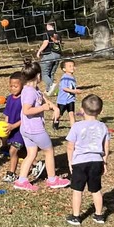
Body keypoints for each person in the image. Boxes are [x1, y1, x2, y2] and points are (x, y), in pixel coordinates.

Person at [13, 62, 70, 191]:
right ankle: (52, 179)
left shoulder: (34, 89)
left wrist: (54, 107)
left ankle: (21, 181)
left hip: (27, 130)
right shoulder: (29, 93)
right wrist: (43, 108)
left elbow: (44, 99)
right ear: (38, 76)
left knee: (31, 153)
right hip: (35, 130)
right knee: (49, 151)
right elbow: (27, 110)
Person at [65, 94, 109, 225]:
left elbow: (70, 146)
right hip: (96, 161)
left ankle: (76, 216)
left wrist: (70, 161)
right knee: (96, 190)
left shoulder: (77, 126)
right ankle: (99, 215)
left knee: (77, 190)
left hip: (80, 162)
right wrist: (104, 161)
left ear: (81, 110)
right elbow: (106, 146)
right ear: (100, 111)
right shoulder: (103, 127)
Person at [0, 72, 47, 183]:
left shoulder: (25, 100)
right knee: (19, 152)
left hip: (21, 130)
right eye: (11, 86)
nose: (13, 88)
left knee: (13, 151)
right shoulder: (10, 99)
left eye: (15, 86)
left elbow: (25, 118)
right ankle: (36, 164)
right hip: (11, 130)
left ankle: (11, 173)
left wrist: (13, 126)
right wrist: (4, 129)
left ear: (23, 86)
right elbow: (7, 115)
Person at [53, 58, 77, 129]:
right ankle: (55, 121)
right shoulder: (64, 78)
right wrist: (74, 91)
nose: (72, 67)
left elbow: (72, 87)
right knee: (59, 114)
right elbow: (64, 88)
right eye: (69, 66)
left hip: (70, 100)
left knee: (71, 114)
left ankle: (73, 129)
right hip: (62, 100)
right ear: (64, 69)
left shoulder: (73, 77)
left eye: (73, 66)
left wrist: (75, 90)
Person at [37, 29, 63, 94]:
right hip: (58, 55)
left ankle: (52, 86)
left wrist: (39, 51)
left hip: (49, 55)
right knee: (51, 73)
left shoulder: (47, 33)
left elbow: (46, 43)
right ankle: (49, 90)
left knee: (43, 74)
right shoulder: (58, 33)